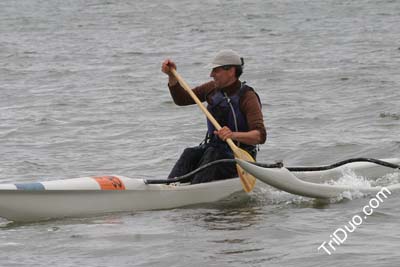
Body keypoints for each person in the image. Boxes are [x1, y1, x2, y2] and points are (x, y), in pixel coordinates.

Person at [161, 49, 266, 184]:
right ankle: (168, 186)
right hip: (213, 149)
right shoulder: (211, 88)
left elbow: (260, 136)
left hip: (240, 158)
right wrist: (172, 76)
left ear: (231, 71)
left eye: (216, 71)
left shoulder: (248, 97)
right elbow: (182, 99)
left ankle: (194, 189)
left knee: (215, 154)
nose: (211, 75)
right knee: (190, 153)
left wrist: (233, 135)